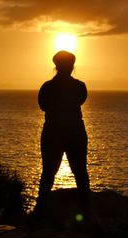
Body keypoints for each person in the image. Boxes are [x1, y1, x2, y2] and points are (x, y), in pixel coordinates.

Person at [34, 50, 90, 219]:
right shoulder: (80, 86)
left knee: (48, 174)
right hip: (75, 133)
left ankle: (39, 214)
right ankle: (87, 212)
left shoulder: (47, 87)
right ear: (72, 66)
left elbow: (43, 105)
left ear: (56, 66)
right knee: (80, 172)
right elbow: (80, 100)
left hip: (52, 133)